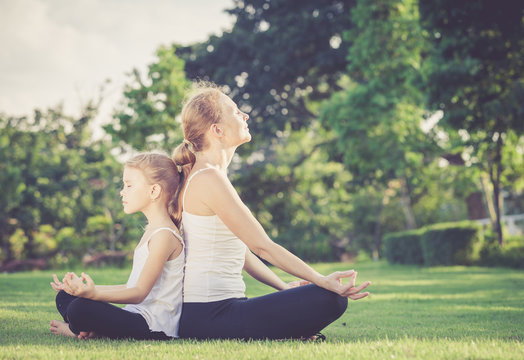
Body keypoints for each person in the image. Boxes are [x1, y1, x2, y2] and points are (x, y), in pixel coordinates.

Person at [172, 84, 371, 340]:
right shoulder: (209, 177)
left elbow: (242, 254)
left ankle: (288, 329)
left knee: (320, 298)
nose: (245, 116)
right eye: (235, 111)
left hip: (213, 313)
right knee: (330, 299)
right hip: (211, 316)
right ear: (217, 130)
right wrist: (321, 279)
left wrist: (284, 287)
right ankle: (289, 330)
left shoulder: (207, 175)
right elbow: (263, 246)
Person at [49, 153, 185, 340]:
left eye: (129, 185)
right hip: (135, 316)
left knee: (80, 308)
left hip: (153, 327)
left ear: (154, 191)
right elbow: (131, 286)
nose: (122, 191)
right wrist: (81, 290)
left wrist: (94, 293)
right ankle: (91, 330)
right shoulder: (153, 231)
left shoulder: (164, 235)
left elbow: (139, 293)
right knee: (66, 298)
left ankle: (79, 331)